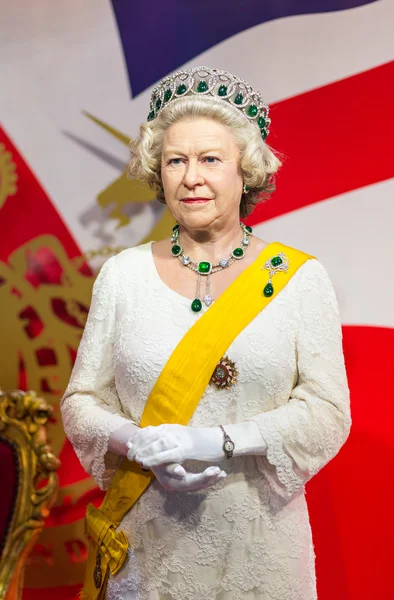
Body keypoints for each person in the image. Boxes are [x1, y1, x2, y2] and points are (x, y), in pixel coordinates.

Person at [61, 66, 351, 600]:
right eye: (176, 161)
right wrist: (137, 442)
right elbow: (82, 400)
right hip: (147, 547)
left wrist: (217, 441)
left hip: (261, 550)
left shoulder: (299, 279)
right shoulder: (122, 276)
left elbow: (328, 412)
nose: (191, 177)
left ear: (247, 171)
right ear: (158, 172)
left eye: (210, 159)